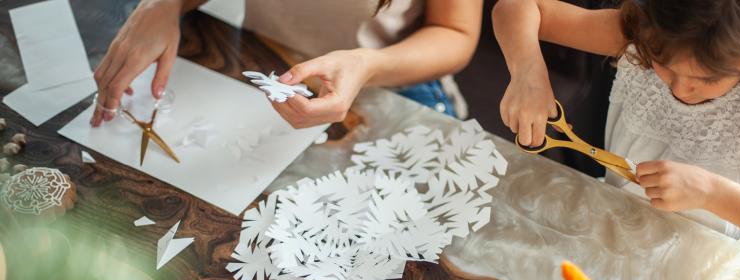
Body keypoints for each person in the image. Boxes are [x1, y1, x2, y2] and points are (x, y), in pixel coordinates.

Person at [493, 0, 740, 245]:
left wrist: (712, 193)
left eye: (708, 80)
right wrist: (528, 73)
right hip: (606, 233)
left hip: (701, 275)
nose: (680, 89)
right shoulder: (638, 35)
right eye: (664, 64)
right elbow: (518, 7)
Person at [90, 0, 482, 129]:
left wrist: (367, 64)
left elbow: (455, 33)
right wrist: (165, 5)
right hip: (263, 58)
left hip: (393, 77)